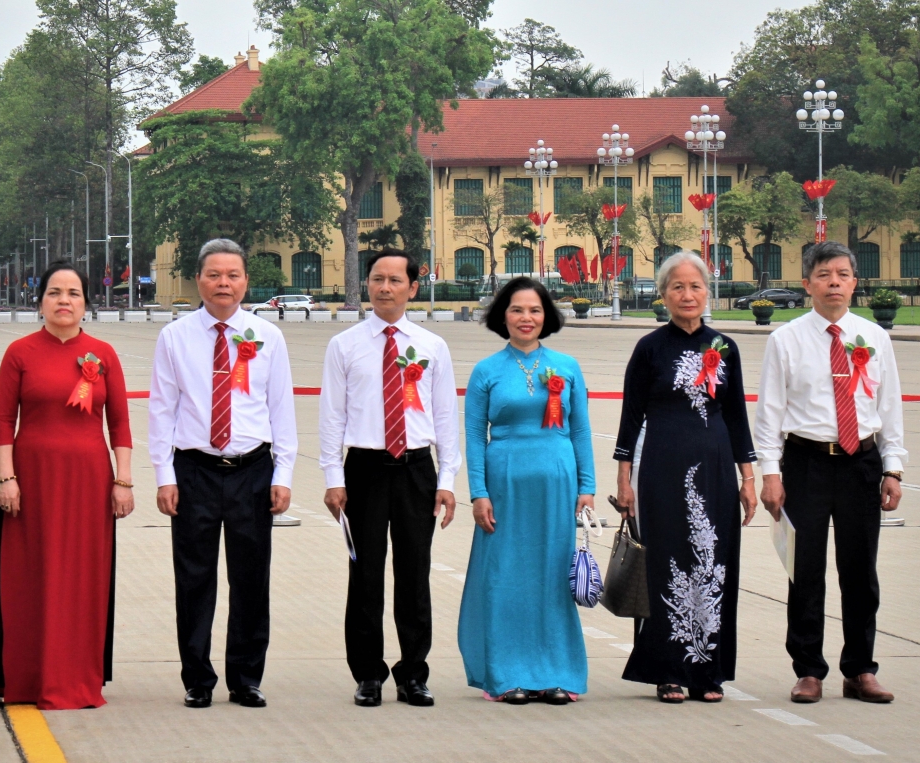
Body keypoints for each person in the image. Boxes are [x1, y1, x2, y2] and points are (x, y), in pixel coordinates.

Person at [0, 262, 133, 710]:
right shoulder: (19, 353)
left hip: (89, 483)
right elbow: (4, 422)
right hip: (32, 482)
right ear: (40, 301)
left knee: (81, 579)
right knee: (29, 578)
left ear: (86, 303)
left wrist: (123, 481)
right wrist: (7, 479)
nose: (64, 301)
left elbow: (119, 425)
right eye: (55, 292)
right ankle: (27, 676)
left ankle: (76, 675)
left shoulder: (104, 354)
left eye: (73, 293)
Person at [755, 241, 905, 705]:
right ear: (807, 284)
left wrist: (893, 467)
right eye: (824, 275)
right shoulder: (786, 339)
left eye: (842, 274)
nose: (834, 283)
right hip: (807, 462)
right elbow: (769, 412)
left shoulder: (874, 338)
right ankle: (808, 670)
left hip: (862, 463)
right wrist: (770, 473)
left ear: (855, 283)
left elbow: (889, 406)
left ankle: (860, 669)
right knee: (805, 571)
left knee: (860, 571)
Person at [149, 239, 297, 709]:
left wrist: (283, 473)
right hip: (194, 470)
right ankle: (197, 678)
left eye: (233, 275)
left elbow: (281, 407)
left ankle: (246, 678)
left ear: (246, 281)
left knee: (251, 578)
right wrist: (164, 475)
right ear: (199, 280)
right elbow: (162, 409)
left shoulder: (267, 336)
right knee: (194, 579)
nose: (223, 284)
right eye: (214, 275)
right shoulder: (175, 337)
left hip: (252, 470)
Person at [612, 251, 756, 704]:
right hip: (662, 469)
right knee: (666, 561)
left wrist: (748, 478)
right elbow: (631, 417)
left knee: (714, 562)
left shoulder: (725, 348)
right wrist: (624, 480)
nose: (687, 295)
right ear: (663, 294)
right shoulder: (650, 348)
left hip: (716, 469)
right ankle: (668, 671)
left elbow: (737, 417)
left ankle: (708, 672)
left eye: (695, 286)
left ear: (707, 292)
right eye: (678, 287)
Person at [319, 248, 460, 708]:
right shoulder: (344, 345)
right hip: (364, 469)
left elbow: (445, 417)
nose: (385, 288)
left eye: (395, 280)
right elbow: (332, 416)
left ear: (412, 288)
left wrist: (447, 479)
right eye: (377, 279)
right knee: (365, 574)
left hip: (416, 469)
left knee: (414, 574)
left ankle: (413, 674)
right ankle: (368, 674)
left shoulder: (432, 346)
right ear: (367, 285)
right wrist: (333, 477)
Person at [458, 277, 593, 705]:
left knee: (552, 576)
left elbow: (580, 430)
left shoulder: (567, 366)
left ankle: (556, 673)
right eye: (517, 309)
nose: (526, 318)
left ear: (546, 316)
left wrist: (587, 487)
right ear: (503, 316)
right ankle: (506, 674)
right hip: (505, 482)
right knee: (505, 576)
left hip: (557, 481)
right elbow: (474, 435)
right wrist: (478, 492)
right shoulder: (486, 371)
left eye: (534, 310)